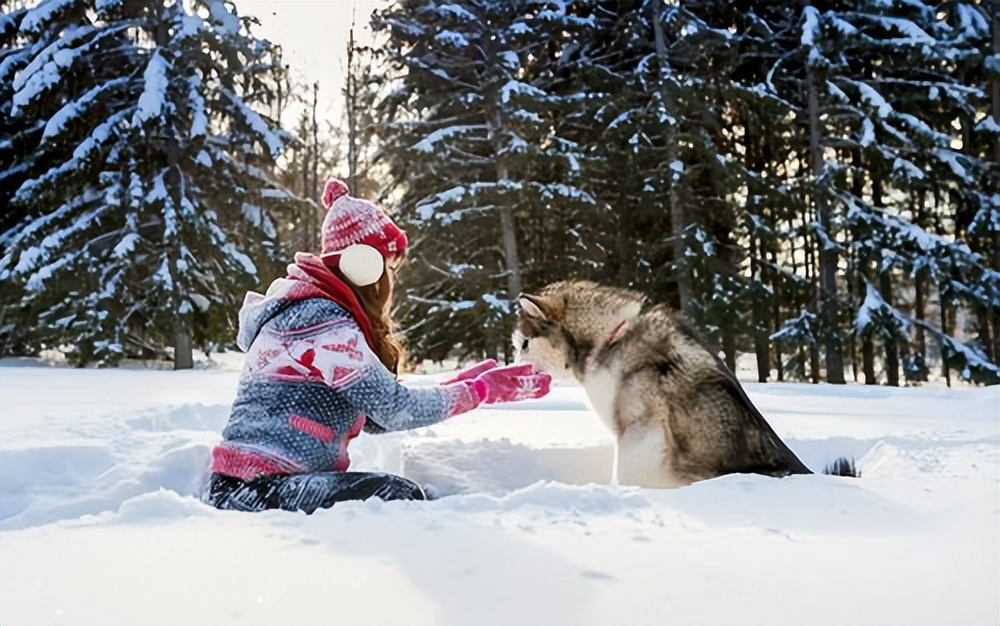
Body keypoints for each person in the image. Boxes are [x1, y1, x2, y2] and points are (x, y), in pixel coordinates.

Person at [205, 178, 551, 513]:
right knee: (398, 496)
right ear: (363, 265)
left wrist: (459, 385)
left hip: (261, 486)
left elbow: (374, 416)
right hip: (255, 490)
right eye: (389, 266)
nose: (391, 279)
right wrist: (479, 391)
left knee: (401, 496)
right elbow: (392, 408)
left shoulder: (316, 312)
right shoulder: (319, 321)